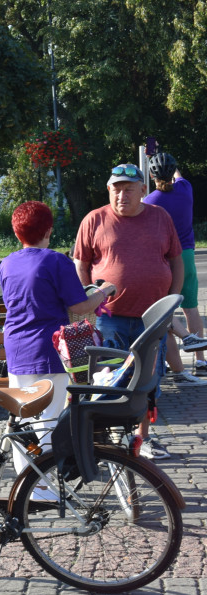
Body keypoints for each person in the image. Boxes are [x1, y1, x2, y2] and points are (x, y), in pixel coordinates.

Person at [73, 163, 183, 459]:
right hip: (111, 320)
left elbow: (176, 261)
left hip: (154, 319)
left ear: (143, 190)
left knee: (147, 382)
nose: (121, 195)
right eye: (116, 189)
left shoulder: (160, 217)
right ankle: (105, 439)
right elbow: (81, 264)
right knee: (109, 380)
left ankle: (142, 438)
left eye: (128, 189)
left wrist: (173, 302)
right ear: (109, 190)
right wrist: (90, 303)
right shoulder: (94, 219)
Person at [0, 201, 115, 479]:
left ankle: (26, 484)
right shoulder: (56, 261)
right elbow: (79, 306)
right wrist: (105, 291)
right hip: (51, 349)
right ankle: (44, 488)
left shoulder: (7, 263)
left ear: (17, 233)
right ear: (48, 230)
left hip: (16, 350)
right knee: (50, 420)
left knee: (24, 419)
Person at [142, 152, 207, 383]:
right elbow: (179, 176)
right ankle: (200, 359)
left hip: (163, 259)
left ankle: (171, 362)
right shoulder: (186, 189)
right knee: (191, 309)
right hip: (187, 255)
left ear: (150, 175)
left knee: (164, 310)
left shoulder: (149, 202)